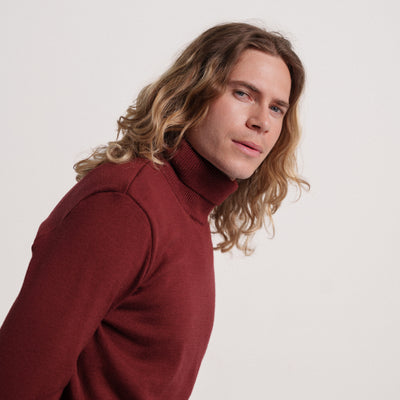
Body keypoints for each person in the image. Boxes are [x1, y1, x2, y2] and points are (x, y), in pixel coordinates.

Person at [0, 22, 309, 399]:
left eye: (277, 108)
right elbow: (15, 383)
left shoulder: (185, 207)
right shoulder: (125, 206)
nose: (261, 121)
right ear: (194, 91)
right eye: (243, 93)